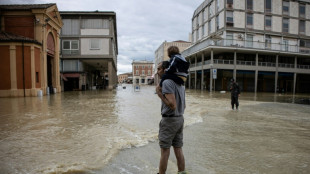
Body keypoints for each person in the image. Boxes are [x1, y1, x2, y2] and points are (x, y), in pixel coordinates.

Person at [156, 61, 187, 174]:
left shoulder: (167, 82)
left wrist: (160, 95)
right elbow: (184, 105)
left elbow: (172, 105)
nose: (157, 71)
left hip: (169, 120)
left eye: (159, 69)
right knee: (178, 148)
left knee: (165, 150)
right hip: (179, 119)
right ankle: (182, 172)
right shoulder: (180, 83)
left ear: (165, 69)